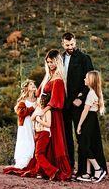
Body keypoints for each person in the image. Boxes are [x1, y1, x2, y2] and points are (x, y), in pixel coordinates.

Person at [4, 49, 72, 181]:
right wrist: (24, 99)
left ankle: (54, 169)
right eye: (48, 62)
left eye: (52, 62)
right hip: (45, 112)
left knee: (53, 141)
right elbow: (38, 93)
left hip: (52, 114)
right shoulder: (49, 76)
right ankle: (47, 168)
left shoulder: (58, 79)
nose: (50, 64)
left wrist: (42, 111)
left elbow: (57, 101)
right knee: (45, 143)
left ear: (57, 61)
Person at [61, 32, 94, 175]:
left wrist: (81, 98)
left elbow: (91, 80)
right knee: (66, 136)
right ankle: (69, 167)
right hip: (63, 104)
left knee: (80, 135)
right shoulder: (60, 59)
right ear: (63, 44)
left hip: (78, 104)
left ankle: (83, 170)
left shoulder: (84, 58)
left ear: (75, 42)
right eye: (67, 45)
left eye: (72, 44)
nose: (70, 47)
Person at [76, 70, 107, 183]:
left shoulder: (91, 93)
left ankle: (98, 169)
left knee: (83, 146)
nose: (84, 79)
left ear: (91, 80)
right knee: (87, 145)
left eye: (86, 78)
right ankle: (88, 173)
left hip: (88, 119)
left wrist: (79, 125)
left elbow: (85, 111)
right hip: (92, 120)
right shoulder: (93, 92)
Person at [5, 79, 37, 170]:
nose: (33, 85)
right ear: (27, 88)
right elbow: (21, 113)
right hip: (25, 124)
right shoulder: (23, 100)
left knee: (33, 141)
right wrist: (32, 107)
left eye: (33, 84)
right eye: (31, 84)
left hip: (33, 123)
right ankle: (23, 163)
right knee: (26, 142)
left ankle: (32, 162)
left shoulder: (36, 99)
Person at [30, 92, 58, 180]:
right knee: (40, 154)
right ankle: (40, 172)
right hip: (37, 132)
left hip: (44, 133)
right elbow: (31, 118)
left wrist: (38, 119)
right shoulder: (38, 109)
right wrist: (36, 115)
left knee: (38, 154)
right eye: (40, 99)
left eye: (42, 99)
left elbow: (48, 124)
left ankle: (52, 171)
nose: (40, 100)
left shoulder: (48, 111)